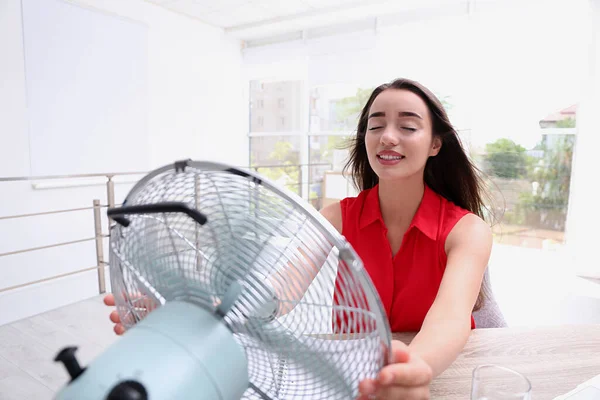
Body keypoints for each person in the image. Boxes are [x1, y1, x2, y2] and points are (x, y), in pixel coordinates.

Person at [104, 78, 492, 399]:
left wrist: (408, 372)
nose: (388, 137)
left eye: (407, 126)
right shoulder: (337, 216)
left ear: (436, 144)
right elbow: (277, 290)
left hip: (432, 379)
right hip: (350, 375)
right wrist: (192, 315)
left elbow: (449, 320)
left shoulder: (467, 230)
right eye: (376, 125)